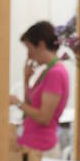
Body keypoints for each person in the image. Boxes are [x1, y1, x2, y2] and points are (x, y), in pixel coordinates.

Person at [9, 21, 70, 153]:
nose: (28, 55)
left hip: (42, 149)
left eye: (29, 49)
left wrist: (17, 102)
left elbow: (44, 117)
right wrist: (26, 80)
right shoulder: (47, 72)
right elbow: (30, 107)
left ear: (41, 45)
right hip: (31, 146)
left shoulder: (56, 73)